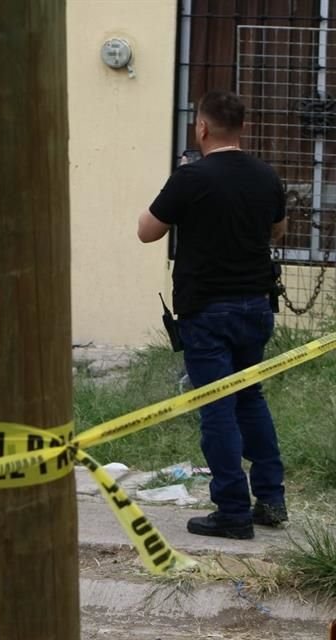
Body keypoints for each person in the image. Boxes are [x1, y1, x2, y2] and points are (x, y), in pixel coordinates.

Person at [137, 89, 289, 540]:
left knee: (216, 409)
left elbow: (146, 230)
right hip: (255, 306)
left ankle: (232, 511)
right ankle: (271, 498)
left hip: (206, 310)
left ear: (201, 127)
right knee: (250, 398)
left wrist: (183, 185)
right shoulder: (266, 176)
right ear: (243, 128)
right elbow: (277, 229)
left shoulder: (191, 178)